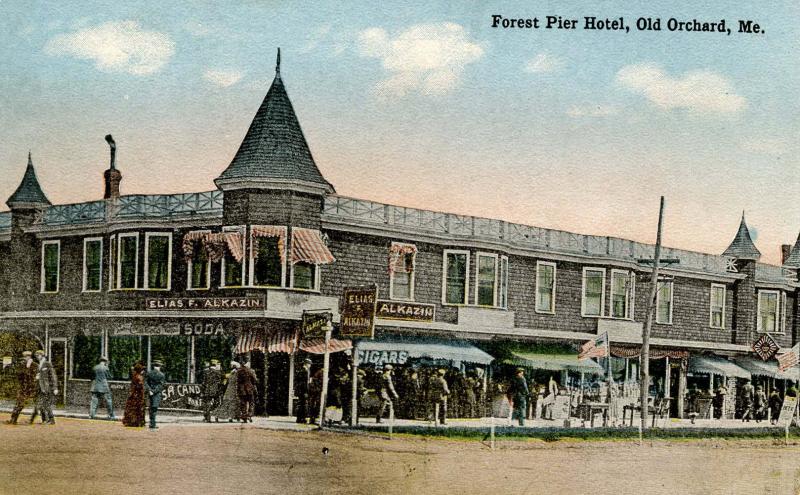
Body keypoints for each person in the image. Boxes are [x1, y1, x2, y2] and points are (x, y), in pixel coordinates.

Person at [6, 351, 38, 425]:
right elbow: (19, 375)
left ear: (29, 357)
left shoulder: (35, 365)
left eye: (26, 357)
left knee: (37, 404)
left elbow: (34, 376)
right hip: (23, 388)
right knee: (19, 403)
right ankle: (13, 419)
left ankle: (32, 419)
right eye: (24, 357)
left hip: (32, 388)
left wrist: (28, 368)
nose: (25, 358)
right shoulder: (22, 365)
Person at [30, 350, 58, 425]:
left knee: (45, 404)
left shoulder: (47, 364)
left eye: (38, 355)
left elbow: (53, 376)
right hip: (39, 387)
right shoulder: (39, 364)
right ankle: (44, 420)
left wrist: (55, 387)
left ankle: (51, 420)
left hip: (46, 388)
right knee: (41, 404)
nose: (37, 357)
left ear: (42, 355)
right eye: (36, 355)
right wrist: (36, 378)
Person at [122, 362, 146, 427]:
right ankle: (138, 422)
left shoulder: (134, 376)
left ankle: (130, 422)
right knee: (139, 409)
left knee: (131, 409)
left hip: (133, 394)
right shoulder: (140, 377)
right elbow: (140, 386)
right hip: (138, 395)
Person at [145, 360, 166, 430]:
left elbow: (146, 383)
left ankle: (152, 422)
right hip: (157, 393)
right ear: (159, 366)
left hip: (150, 393)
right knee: (154, 408)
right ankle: (153, 423)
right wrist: (154, 391)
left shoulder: (149, 373)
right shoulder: (161, 375)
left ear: (153, 366)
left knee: (151, 408)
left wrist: (150, 390)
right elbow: (161, 385)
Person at [295, 358, 312, 424]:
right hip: (303, 390)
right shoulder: (306, 371)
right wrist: (306, 391)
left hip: (300, 390)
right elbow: (305, 383)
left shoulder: (300, 370)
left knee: (301, 405)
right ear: (307, 364)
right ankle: (302, 419)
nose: (310, 365)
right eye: (309, 364)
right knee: (304, 405)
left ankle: (299, 418)